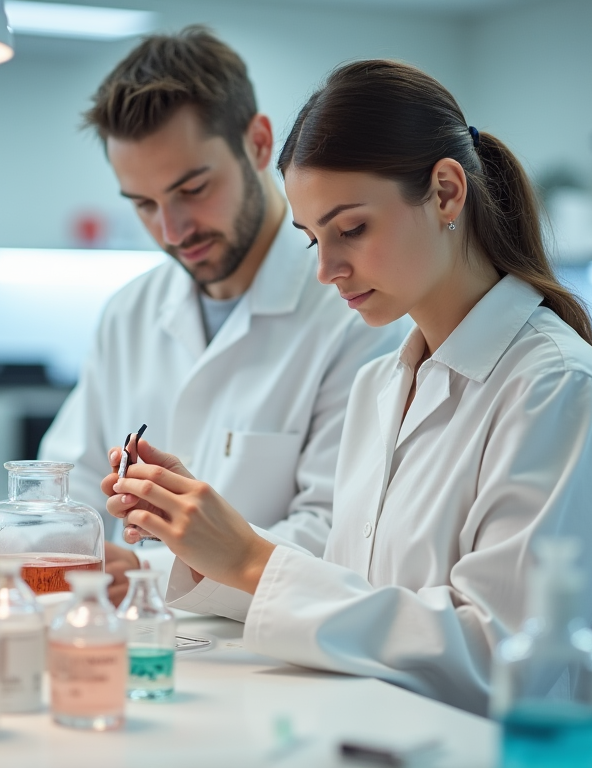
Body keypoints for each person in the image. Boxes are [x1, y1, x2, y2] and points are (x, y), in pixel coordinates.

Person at [103, 60, 592, 754]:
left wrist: (251, 559)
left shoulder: (560, 392)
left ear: (446, 193)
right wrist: (206, 540)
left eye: (352, 229)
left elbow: (504, 661)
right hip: (371, 742)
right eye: (314, 237)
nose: (326, 268)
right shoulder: (381, 386)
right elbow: (356, 600)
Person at [38, 28, 402, 604]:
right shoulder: (129, 313)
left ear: (258, 144)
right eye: (144, 204)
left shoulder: (359, 309)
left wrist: (146, 573)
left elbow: (339, 537)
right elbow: (69, 483)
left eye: (193, 189)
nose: (172, 230)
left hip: (275, 655)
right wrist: (58, 543)